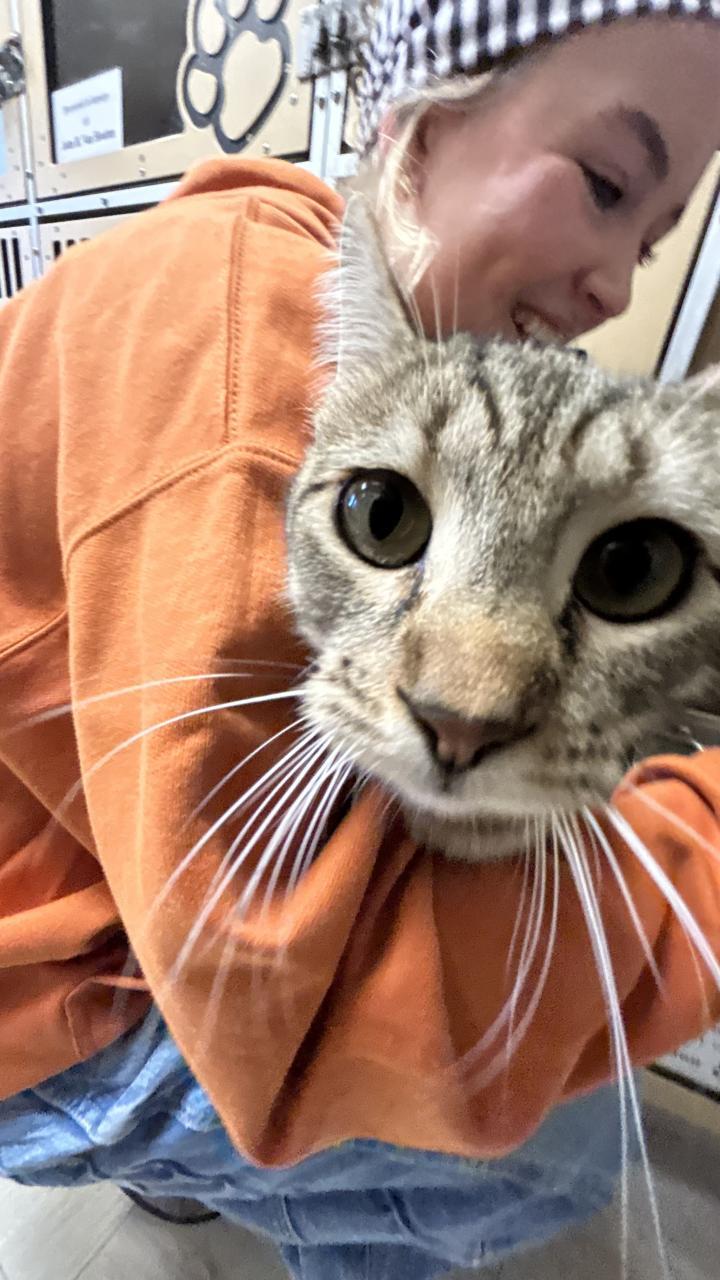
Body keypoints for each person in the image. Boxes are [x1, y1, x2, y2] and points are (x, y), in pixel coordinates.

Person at [0, 3, 719, 1278]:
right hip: (36, 992)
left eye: (654, 238)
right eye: (608, 185)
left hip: (92, 842)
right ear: (421, 127)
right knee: (541, 1146)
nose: (617, 284)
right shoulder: (239, 355)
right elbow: (285, 1014)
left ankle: (178, 1156)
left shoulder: (348, 317)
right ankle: (156, 1141)